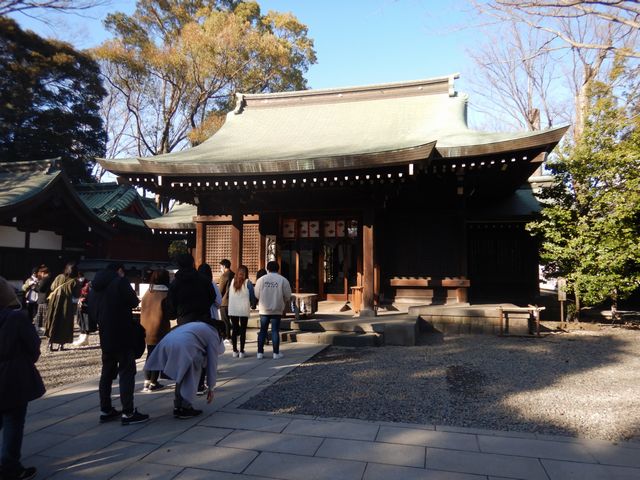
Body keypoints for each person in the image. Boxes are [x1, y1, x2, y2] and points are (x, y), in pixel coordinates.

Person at [88, 263, 149, 426]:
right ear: (119, 271)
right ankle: (128, 412)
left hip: (105, 333)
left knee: (107, 372)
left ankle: (105, 409)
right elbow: (133, 301)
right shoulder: (119, 282)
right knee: (126, 371)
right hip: (122, 332)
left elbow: (91, 310)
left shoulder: (95, 286)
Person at [0, 276, 45, 480]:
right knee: (13, 421)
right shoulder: (16, 317)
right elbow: (33, 346)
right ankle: (10, 466)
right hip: (13, 374)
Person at [145, 321, 224, 419]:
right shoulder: (213, 334)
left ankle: (178, 406)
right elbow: (213, 361)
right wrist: (211, 387)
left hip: (168, 341)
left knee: (181, 375)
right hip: (184, 346)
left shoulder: (199, 325)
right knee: (190, 375)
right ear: (220, 332)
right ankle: (185, 407)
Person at [139, 269, 171, 392]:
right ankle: (153, 381)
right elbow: (169, 313)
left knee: (150, 353)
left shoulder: (148, 292)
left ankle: (147, 380)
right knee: (158, 355)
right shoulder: (165, 293)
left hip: (146, 328)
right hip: (160, 328)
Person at [254, 261, 292, 360]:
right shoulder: (283, 280)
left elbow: (256, 294)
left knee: (263, 330)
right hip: (276, 308)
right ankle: (276, 353)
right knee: (275, 331)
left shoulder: (261, 280)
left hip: (264, 309)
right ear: (278, 269)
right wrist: (282, 300)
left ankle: (260, 353)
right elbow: (288, 295)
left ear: (268, 269)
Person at [168, 254, 215, 326]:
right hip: (203, 318)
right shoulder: (204, 280)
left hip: (184, 319)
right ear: (193, 263)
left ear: (179, 265)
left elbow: (172, 304)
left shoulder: (175, 283)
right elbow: (212, 296)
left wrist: (178, 313)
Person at [44, 262, 79, 351]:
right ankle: (61, 345)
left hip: (54, 302)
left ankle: (50, 344)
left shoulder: (59, 277)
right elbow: (77, 294)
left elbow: (52, 288)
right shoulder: (75, 281)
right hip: (66, 304)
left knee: (52, 320)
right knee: (64, 322)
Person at [228, 265, 255, 359]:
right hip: (243, 308)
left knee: (235, 330)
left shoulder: (232, 282)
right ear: (246, 273)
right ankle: (242, 351)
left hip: (233, 308)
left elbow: (229, 293)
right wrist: (253, 304)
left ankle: (234, 350)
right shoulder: (248, 282)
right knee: (243, 330)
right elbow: (252, 295)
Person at [72, 276, 94, 347]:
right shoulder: (76, 283)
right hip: (80, 305)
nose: (80, 279)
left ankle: (85, 338)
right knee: (80, 321)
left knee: (86, 321)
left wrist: (83, 298)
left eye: (81, 277)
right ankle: (82, 337)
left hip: (87, 305)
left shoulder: (88, 284)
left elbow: (90, 294)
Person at [218, 259, 234, 341]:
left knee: (225, 321)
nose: (220, 268)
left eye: (221, 266)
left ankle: (227, 337)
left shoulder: (224, 276)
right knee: (232, 320)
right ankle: (232, 336)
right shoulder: (234, 274)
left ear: (224, 266)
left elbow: (220, 290)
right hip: (233, 301)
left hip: (224, 302)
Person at [34, 266, 52, 334]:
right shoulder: (49, 279)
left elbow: (40, 289)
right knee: (43, 316)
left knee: (43, 316)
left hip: (43, 299)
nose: (40, 274)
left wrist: (35, 286)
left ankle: (44, 330)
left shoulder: (45, 279)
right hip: (45, 299)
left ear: (43, 273)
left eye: (40, 273)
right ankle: (44, 329)